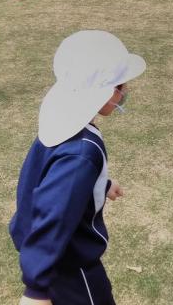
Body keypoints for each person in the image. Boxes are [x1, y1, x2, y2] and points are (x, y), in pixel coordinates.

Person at [10, 30, 146, 305]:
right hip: (69, 265)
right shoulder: (83, 151)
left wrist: (103, 185)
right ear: (104, 92)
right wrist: (36, 290)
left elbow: (58, 180)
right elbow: (55, 211)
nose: (124, 92)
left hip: (49, 255)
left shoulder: (61, 121)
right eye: (120, 86)